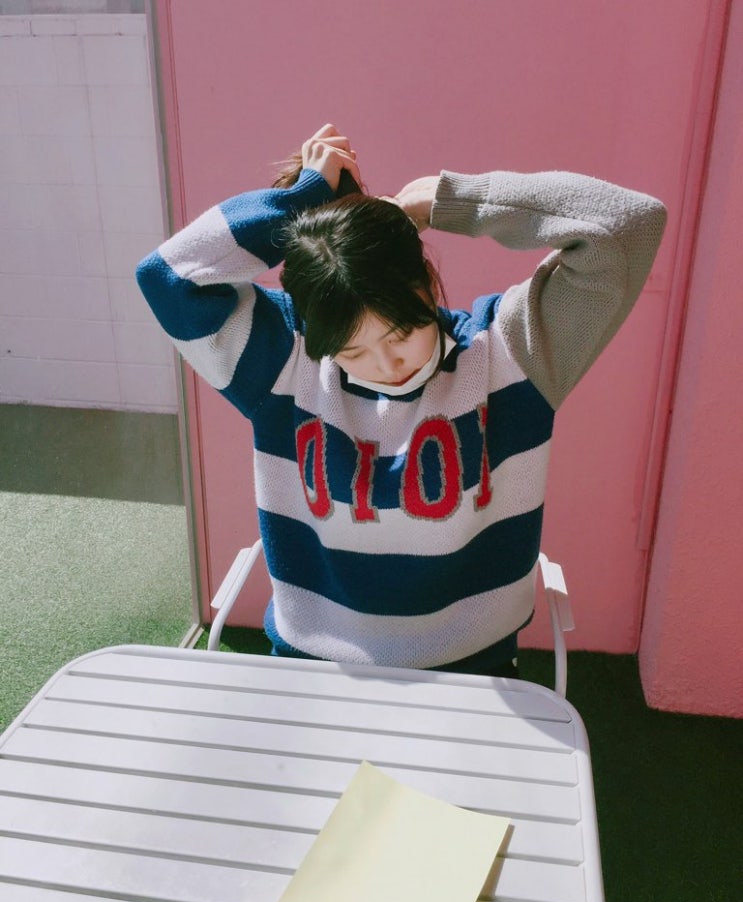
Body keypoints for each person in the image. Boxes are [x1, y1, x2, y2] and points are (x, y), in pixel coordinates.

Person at [136, 123, 666, 676]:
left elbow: (625, 225)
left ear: (427, 285)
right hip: (313, 663)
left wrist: (441, 202)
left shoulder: (510, 352)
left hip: (472, 668)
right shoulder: (284, 362)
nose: (388, 365)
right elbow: (168, 278)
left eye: (401, 333)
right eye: (351, 351)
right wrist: (303, 204)